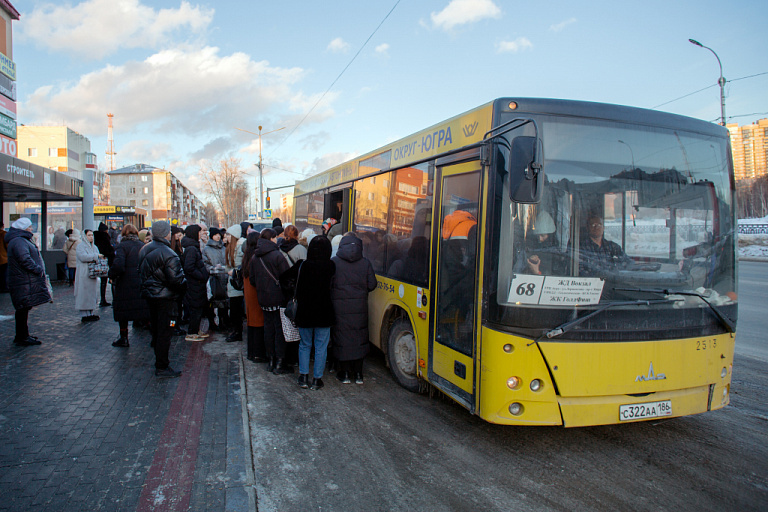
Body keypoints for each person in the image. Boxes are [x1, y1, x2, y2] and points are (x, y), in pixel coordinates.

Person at [281, 235, 336, 390]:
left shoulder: (302, 265)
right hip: (324, 312)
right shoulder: (331, 266)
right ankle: (317, 379)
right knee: (321, 346)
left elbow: (283, 278)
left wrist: (294, 292)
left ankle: (303, 377)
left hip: (305, 311)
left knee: (305, 344)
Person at [138, 220, 187, 378]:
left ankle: (160, 363)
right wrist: (185, 284)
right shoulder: (169, 253)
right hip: (166, 298)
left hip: (150, 296)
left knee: (157, 331)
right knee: (165, 333)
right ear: (167, 233)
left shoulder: (144, 249)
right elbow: (176, 280)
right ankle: (162, 366)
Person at [331, 234, 377, 384]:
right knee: (359, 338)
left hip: (339, 308)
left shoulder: (334, 262)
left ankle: (344, 374)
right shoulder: (365, 263)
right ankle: (358, 374)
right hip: (359, 307)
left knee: (342, 337)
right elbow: (372, 284)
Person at [249, 228, 291, 374]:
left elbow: (252, 280)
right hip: (278, 298)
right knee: (279, 330)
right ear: (272, 239)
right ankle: (279, 363)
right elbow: (287, 278)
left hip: (263, 299)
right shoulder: (277, 256)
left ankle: (271, 360)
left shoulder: (255, 257)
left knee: (268, 329)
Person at [5, 217, 49, 346]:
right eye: (29, 227)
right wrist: (37, 269)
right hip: (23, 281)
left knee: (24, 308)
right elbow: (24, 259)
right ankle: (22, 336)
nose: (31, 229)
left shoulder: (20, 240)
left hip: (23, 280)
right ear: (23, 228)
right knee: (22, 308)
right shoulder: (19, 241)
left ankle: (23, 334)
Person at [108, 224, 150, 347]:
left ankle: (124, 338)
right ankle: (154, 337)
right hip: (141, 282)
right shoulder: (143, 246)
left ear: (124, 234)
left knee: (123, 312)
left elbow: (118, 265)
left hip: (125, 284)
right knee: (144, 309)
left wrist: (112, 275)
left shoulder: (122, 246)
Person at [180, 224, 210, 342]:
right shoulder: (191, 248)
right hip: (194, 284)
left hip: (197, 283)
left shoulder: (192, 246)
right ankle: (192, 332)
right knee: (195, 308)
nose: (201, 234)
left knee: (198, 307)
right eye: (199, 232)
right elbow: (189, 267)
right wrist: (201, 276)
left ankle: (196, 330)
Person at [516, 211, 566, 276]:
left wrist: (536, 272)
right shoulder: (531, 245)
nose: (540, 239)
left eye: (543, 235)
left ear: (550, 235)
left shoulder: (556, 254)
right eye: (538, 235)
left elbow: (555, 280)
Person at [242, 231, 266, 361]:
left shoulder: (247, 256)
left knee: (252, 321)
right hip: (255, 292)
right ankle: (258, 353)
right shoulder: (255, 257)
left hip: (248, 292)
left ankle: (251, 352)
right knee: (258, 322)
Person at [74, 229, 103, 322]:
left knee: (91, 294)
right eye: (89, 235)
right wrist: (95, 256)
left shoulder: (94, 247)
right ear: (84, 236)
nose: (91, 237)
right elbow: (83, 257)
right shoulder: (80, 246)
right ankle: (84, 314)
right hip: (83, 274)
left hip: (92, 274)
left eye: (92, 235)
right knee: (83, 294)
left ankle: (90, 312)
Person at [203, 227, 228, 332]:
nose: (218, 236)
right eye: (215, 235)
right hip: (213, 278)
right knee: (212, 301)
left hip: (225, 277)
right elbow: (205, 264)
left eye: (219, 234)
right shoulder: (207, 249)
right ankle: (212, 323)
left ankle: (223, 323)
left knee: (224, 301)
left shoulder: (224, 248)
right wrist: (212, 269)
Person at [225, 223, 247, 343]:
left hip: (238, 283)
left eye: (228, 234)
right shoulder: (230, 247)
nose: (226, 236)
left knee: (236, 310)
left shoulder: (241, 247)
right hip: (232, 283)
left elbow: (244, 265)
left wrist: (234, 272)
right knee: (234, 310)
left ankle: (237, 332)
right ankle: (235, 331)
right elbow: (229, 265)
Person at [93, 222, 115, 307]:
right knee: (112, 281)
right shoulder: (105, 238)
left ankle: (102, 299)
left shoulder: (95, 239)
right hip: (108, 262)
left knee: (103, 282)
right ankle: (113, 300)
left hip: (100, 263)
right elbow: (109, 251)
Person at [0, 222, 8, 292]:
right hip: (3, 258)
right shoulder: (3, 234)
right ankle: (4, 287)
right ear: (2, 226)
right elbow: (7, 245)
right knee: (4, 273)